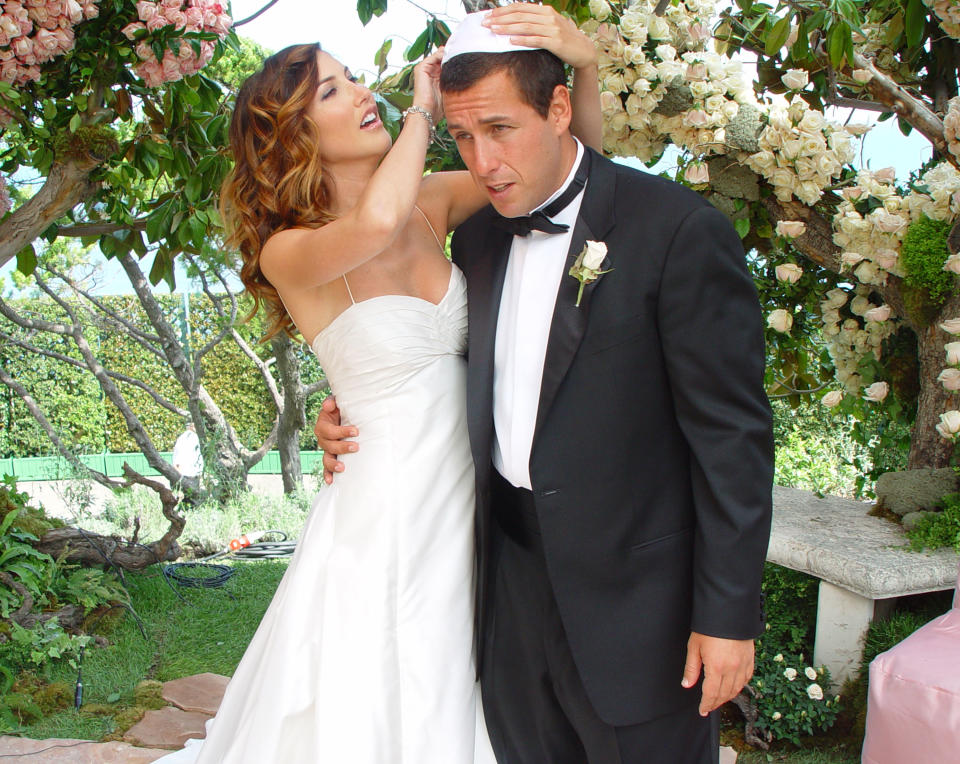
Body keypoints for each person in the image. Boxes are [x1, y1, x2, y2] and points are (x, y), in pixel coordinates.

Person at [316, 10, 774, 764]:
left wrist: (728, 616)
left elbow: (733, 441)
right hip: (509, 591)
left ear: (559, 108)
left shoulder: (677, 232)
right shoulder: (480, 236)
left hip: (641, 611)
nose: (484, 160)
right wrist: (346, 414)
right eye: (463, 138)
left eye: (500, 128)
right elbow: (442, 365)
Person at [152, 6, 601, 763]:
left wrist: (583, 65)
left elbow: (566, 158)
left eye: (352, 77)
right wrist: (424, 110)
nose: (363, 92)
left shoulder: (434, 203)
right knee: (384, 681)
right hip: (385, 503)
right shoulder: (290, 252)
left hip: (469, 491)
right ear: (292, 135)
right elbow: (375, 221)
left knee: (455, 675)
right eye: (332, 91)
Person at [171, 422, 203, 509]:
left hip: (183, 472)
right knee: (192, 501)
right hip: (190, 473)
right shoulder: (192, 437)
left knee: (184, 501)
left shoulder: (182, 438)